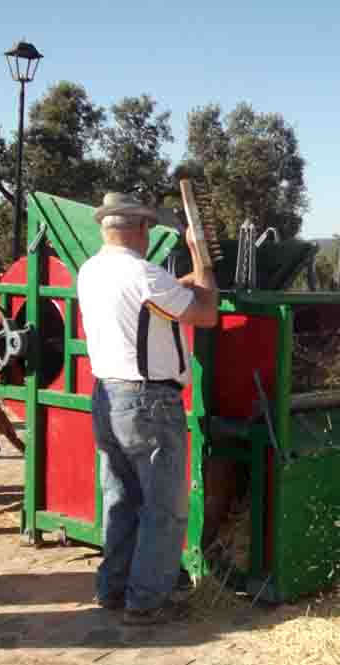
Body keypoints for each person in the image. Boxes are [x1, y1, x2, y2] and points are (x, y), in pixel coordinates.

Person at [77, 193, 218, 625]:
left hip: (107, 396)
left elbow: (164, 294)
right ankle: (147, 601)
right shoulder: (144, 275)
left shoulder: (91, 269)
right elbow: (206, 313)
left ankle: (113, 588)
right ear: (140, 228)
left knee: (121, 499)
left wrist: (185, 281)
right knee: (163, 507)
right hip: (149, 402)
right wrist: (203, 262)